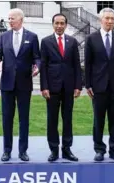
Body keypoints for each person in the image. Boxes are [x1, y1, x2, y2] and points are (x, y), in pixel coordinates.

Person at [0, 8, 40, 162]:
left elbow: (37, 58)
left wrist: (37, 67)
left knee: (23, 119)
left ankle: (23, 151)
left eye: (12, 18)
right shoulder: (4, 37)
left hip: (24, 84)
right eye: (9, 19)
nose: (9, 21)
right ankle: (7, 150)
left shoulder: (32, 37)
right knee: (7, 118)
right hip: (7, 84)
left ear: (20, 19)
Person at [84, 8, 114, 162]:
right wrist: (88, 84)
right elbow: (88, 64)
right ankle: (99, 149)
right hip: (98, 86)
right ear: (100, 20)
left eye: (112, 19)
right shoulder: (91, 38)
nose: (110, 21)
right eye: (107, 18)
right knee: (99, 119)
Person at [39, 13, 82, 162]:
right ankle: (54, 150)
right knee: (52, 119)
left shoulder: (72, 41)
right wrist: (44, 87)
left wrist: (78, 85)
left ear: (66, 25)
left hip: (69, 86)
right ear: (53, 24)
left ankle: (66, 149)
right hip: (52, 87)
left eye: (62, 23)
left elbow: (77, 65)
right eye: (56, 23)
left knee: (68, 119)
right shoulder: (45, 42)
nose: (59, 26)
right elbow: (43, 65)